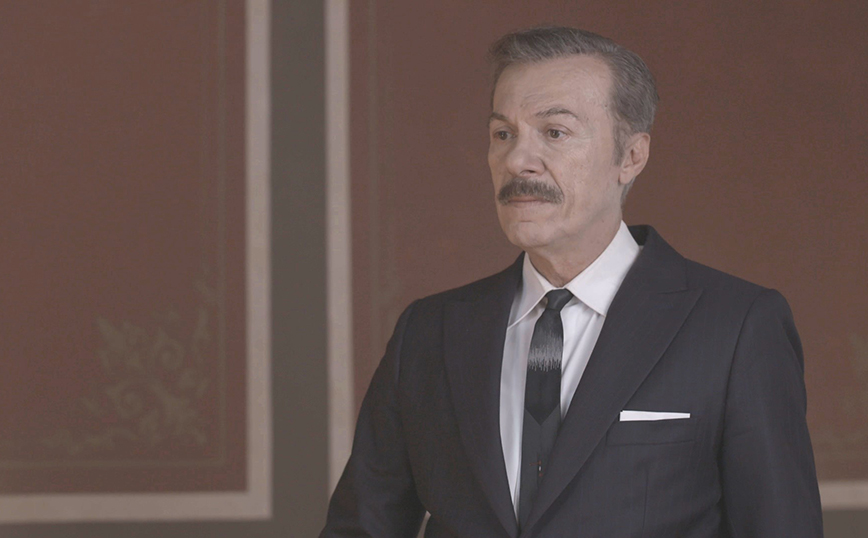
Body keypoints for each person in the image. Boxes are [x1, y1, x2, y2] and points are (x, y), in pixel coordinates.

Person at [321, 26, 823, 537]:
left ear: (631, 157)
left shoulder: (736, 326)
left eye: (554, 132)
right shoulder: (428, 332)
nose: (517, 160)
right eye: (503, 134)